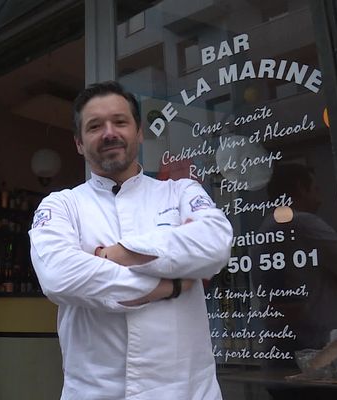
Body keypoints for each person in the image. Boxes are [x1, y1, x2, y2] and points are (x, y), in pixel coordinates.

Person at [29, 81, 232, 399]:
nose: (109, 133)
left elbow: (215, 245)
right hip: (95, 391)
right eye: (94, 126)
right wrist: (170, 285)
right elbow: (59, 276)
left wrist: (115, 254)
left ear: (139, 132)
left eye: (120, 122)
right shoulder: (61, 205)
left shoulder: (181, 191)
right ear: (79, 143)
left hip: (187, 390)